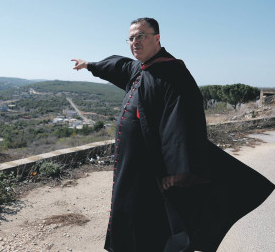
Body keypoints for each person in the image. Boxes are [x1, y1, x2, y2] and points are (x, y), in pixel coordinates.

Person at [72, 17, 274, 252]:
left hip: (152, 166)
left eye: (141, 36)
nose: (134, 42)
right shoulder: (140, 67)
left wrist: (176, 172)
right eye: (131, 38)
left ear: (156, 38)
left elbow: (182, 123)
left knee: (156, 220)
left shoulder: (173, 72)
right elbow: (118, 66)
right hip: (132, 163)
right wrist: (90, 65)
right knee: (131, 213)